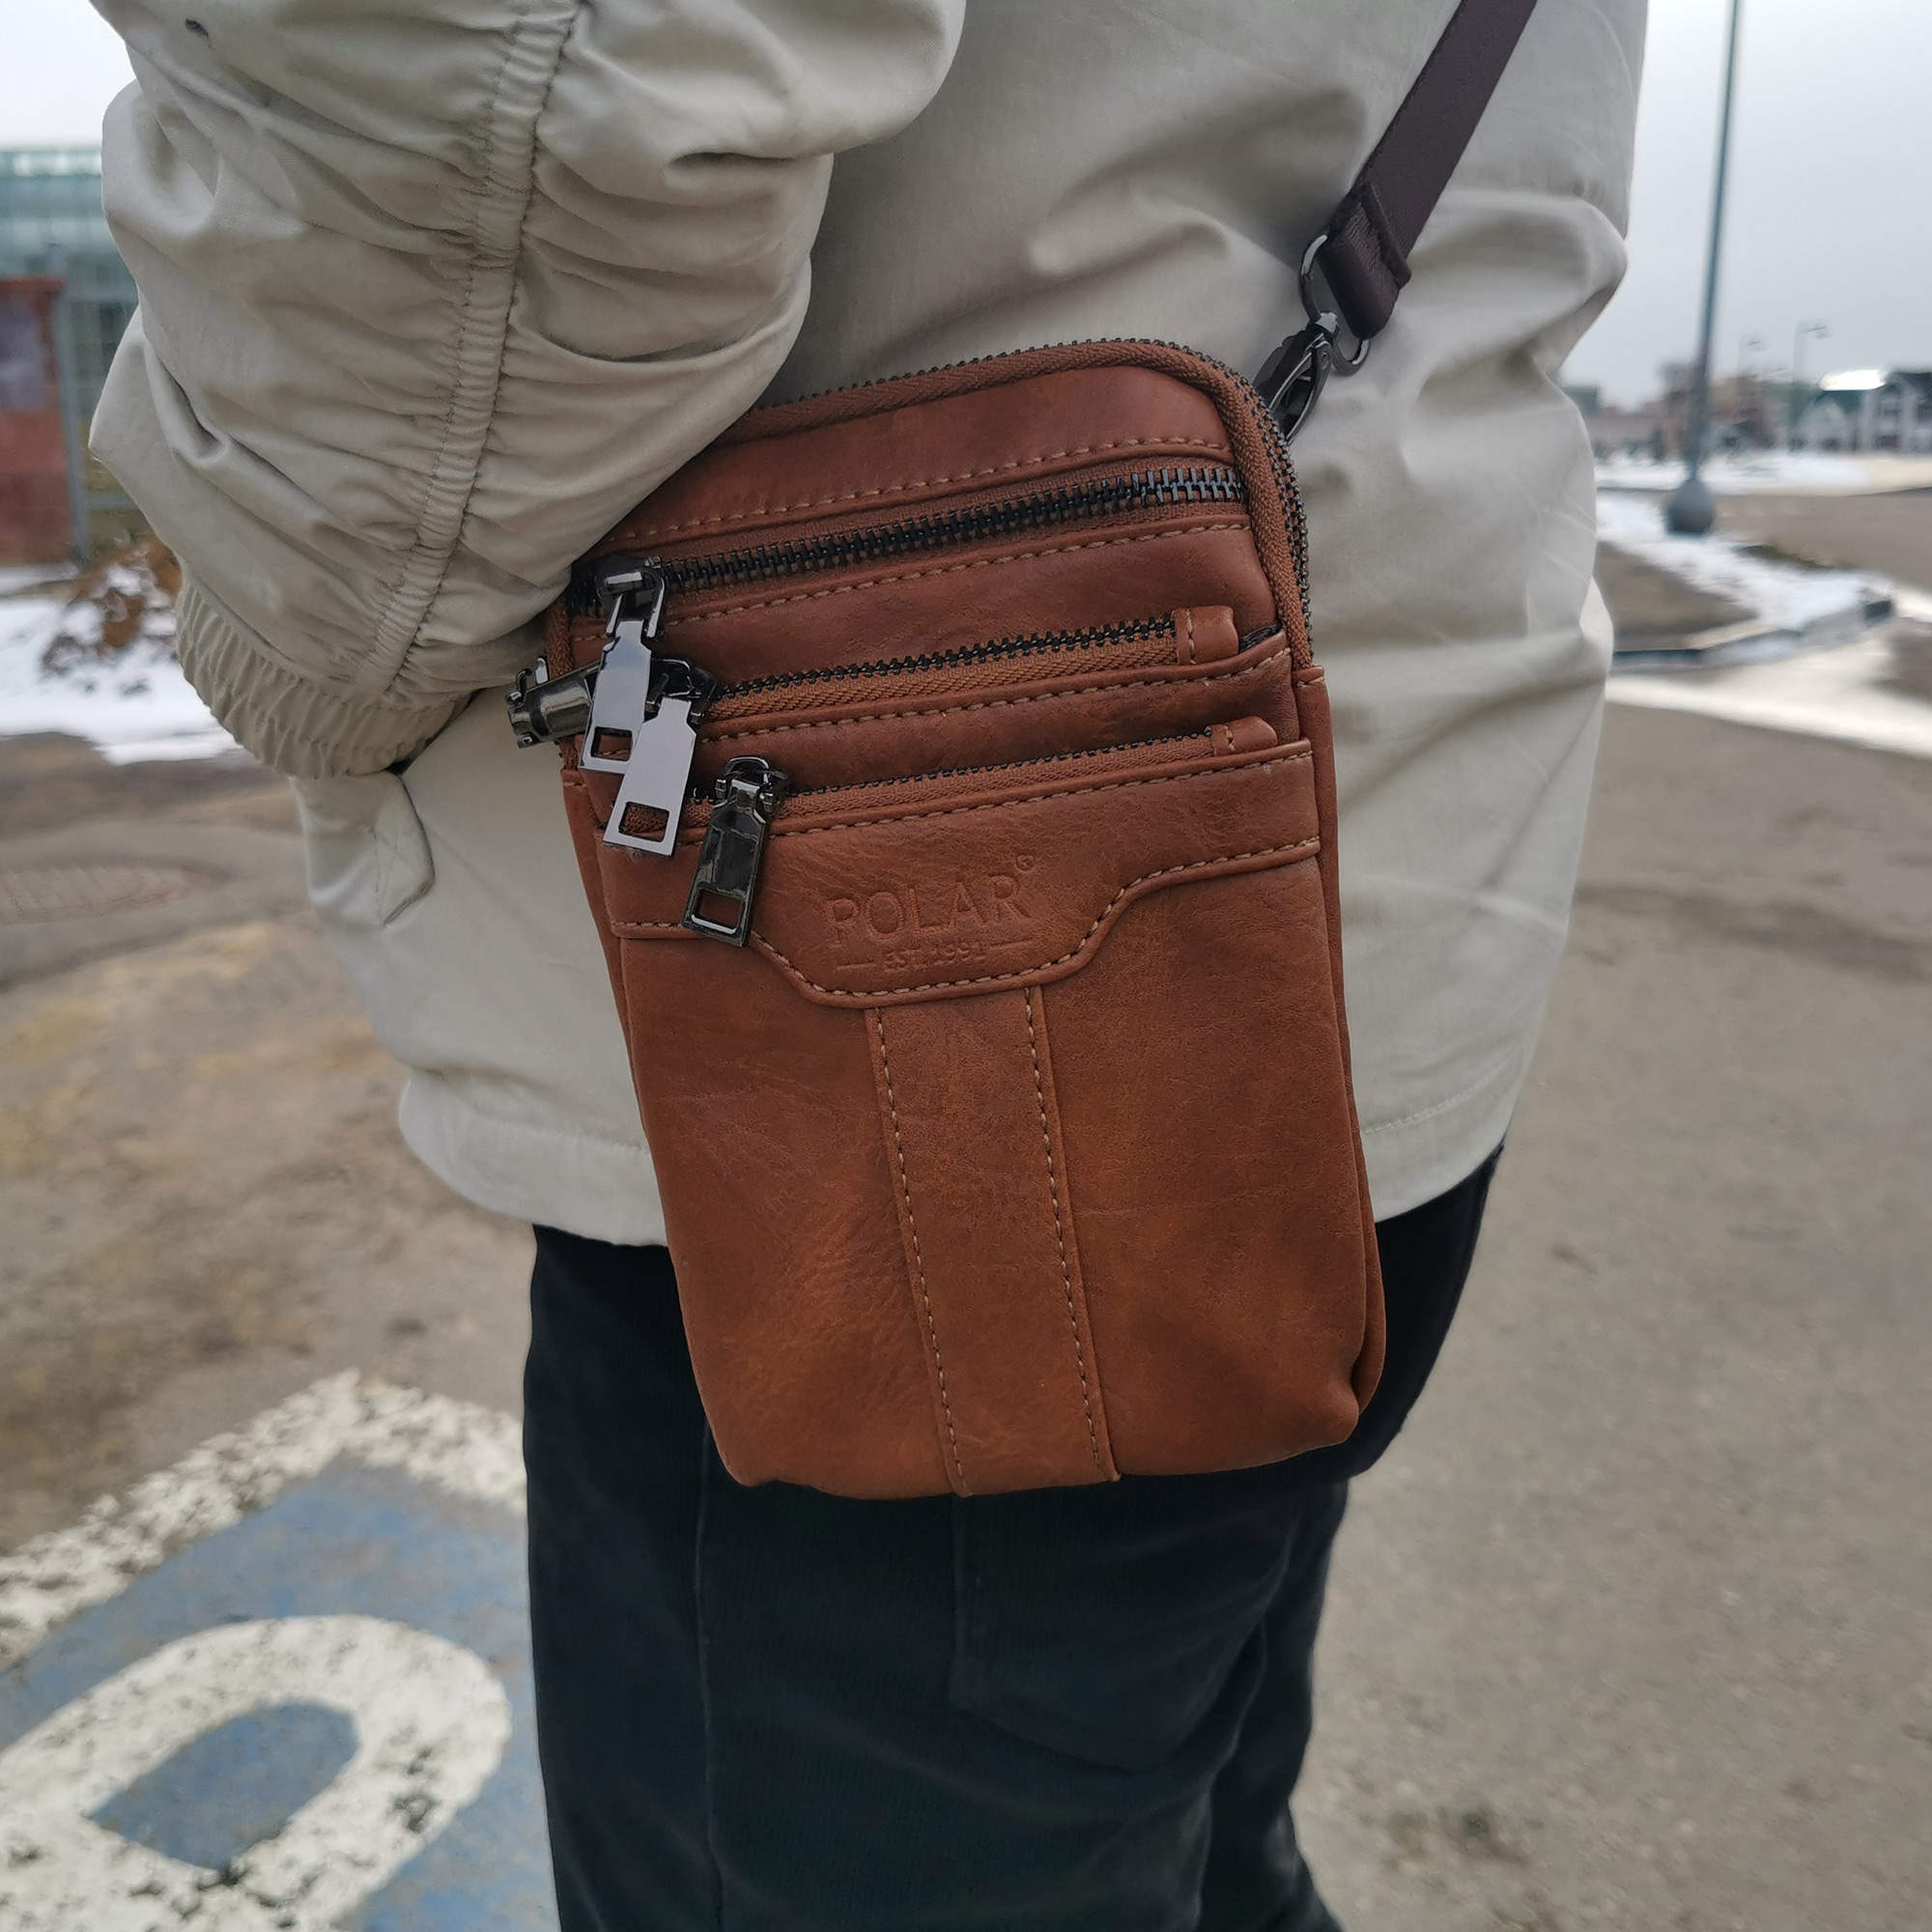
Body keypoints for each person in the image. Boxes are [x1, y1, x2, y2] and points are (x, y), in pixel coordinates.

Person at [90, 1, 1644, 1923]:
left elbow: (556, 111)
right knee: (1179, 1822)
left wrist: (295, 654)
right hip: (1380, 895)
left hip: (884, 1162)